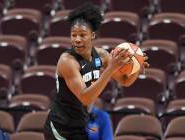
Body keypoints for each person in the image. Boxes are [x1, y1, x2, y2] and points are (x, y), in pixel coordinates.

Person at [44, 2, 149, 140]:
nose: (77, 40)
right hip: (59, 127)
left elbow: (125, 81)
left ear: (92, 35)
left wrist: (136, 67)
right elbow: (86, 98)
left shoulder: (102, 56)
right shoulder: (67, 61)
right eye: (73, 35)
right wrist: (111, 69)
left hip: (79, 125)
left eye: (82, 35)